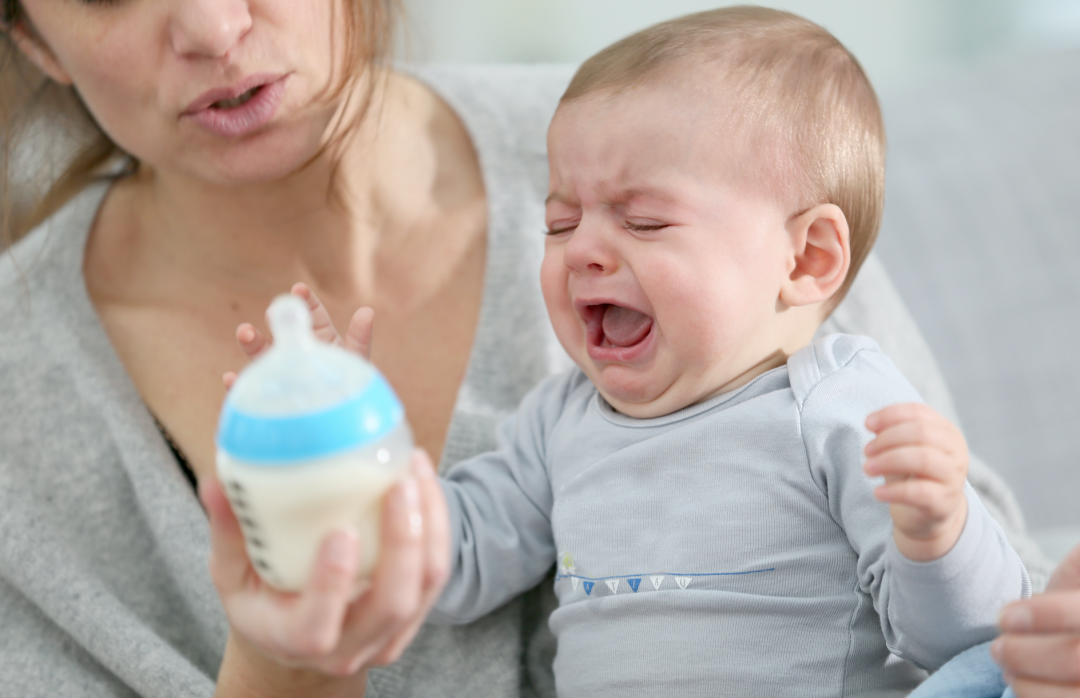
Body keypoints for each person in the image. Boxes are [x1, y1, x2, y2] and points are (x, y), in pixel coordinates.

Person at [0, 0, 1057, 697]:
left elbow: (992, 635)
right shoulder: (566, 420)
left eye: (640, 224)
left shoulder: (718, 168)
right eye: (559, 225)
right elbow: (453, 550)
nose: (214, 24)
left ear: (809, 260)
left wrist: (937, 530)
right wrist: (358, 485)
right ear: (35, 38)